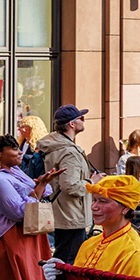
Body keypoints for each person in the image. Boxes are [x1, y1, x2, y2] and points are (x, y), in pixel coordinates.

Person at [0, 135, 62, 280]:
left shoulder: (15, 171)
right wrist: (38, 187)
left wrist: (41, 184)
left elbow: (46, 192)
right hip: (9, 238)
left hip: (26, 236)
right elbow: (17, 211)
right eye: (13, 150)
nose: (19, 153)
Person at [39, 104, 94, 265]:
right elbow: (70, 185)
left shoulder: (57, 146)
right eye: (81, 118)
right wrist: (92, 182)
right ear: (72, 124)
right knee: (68, 262)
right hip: (71, 215)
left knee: (64, 259)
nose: (83, 121)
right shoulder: (68, 152)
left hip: (63, 213)